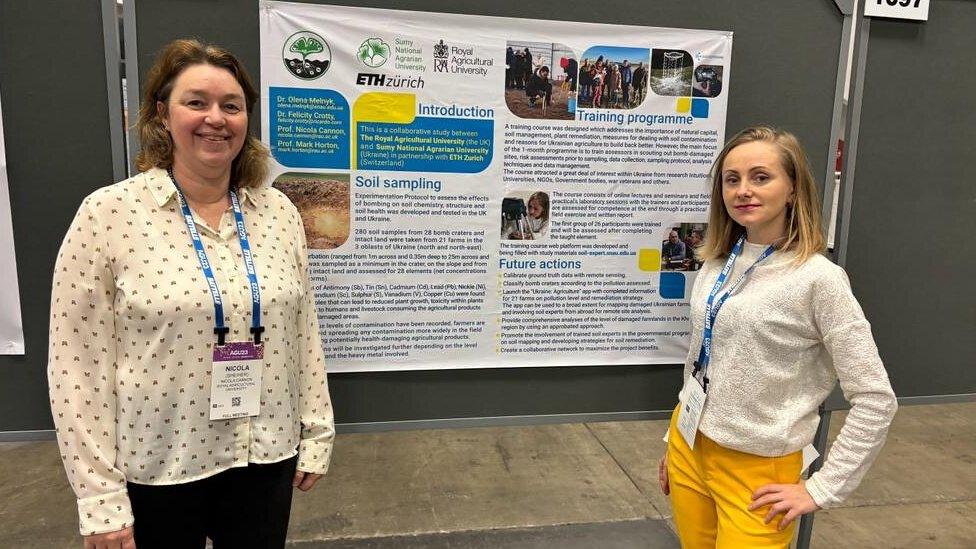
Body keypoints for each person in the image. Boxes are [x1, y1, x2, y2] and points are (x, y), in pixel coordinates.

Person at [48, 39, 335, 549]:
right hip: (161, 463)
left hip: (263, 454)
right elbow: (77, 367)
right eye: (196, 102)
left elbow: (302, 331)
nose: (215, 119)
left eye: (231, 105)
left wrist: (315, 432)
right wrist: (99, 500)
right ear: (162, 113)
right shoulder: (108, 215)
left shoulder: (278, 212)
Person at [657, 126, 897, 548]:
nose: (743, 190)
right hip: (689, 446)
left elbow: (876, 398)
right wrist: (674, 440)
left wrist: (822, 489)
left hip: (759, 470)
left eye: (761, 177)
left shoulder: (819, 280)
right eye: (732, 179)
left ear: (792, 189)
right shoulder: (716, 262)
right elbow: (702, 357)